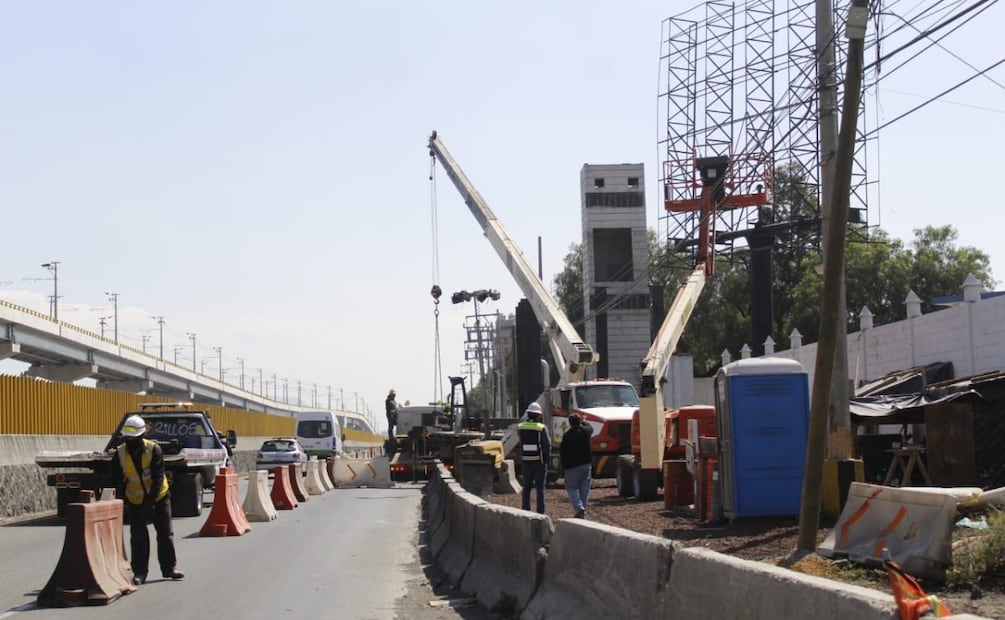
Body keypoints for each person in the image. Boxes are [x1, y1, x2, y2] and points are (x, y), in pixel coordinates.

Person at [107, 415, 185, 585]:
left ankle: (169, 568)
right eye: (127, 438)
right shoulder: (120, 454)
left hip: (159, 497)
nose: (130, 441)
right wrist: (117, 501)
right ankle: (140, 573)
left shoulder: (153, 450)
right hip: (135, 500)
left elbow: (158, 479)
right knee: (138, 536)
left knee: (165, 534)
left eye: (133, 438)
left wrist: (151, 503)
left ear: (142, 436)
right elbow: (115, 480)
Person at [518, 402, 551, 514]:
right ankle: (540, 513)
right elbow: (547, 445)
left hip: (526, 461)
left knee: (526, 488)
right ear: (539, 415)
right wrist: (546, 459)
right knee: (540, 488)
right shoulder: (541, 428)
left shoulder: (521, 427)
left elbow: (520, 443)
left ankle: (525, 511)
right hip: (539, 462)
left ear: (528, 414)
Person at [559, 413, 593, 518]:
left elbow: (563, 452)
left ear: (570, 423)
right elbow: (590, 427)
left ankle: (579, 508)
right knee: (584, 488)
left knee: (571, 486)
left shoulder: (567, 435)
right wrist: (583, 420)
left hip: (572, 465)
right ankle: (583, 509)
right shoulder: (585, 431)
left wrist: (563, 466)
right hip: (586, 464)